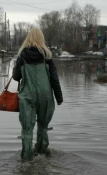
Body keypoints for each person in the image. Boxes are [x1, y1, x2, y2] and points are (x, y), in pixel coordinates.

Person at [12, 28, 63, 161]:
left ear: (28, 38)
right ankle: (41, 152)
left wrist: (17, 68)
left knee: (27, 128)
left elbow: (16, 77)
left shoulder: (22, 56)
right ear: (41, 39)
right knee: (43, 126)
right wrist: (59, 97)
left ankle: (27, 158)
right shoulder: (47, 56)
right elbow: (54, 79)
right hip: (45, 96)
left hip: (27, 95)